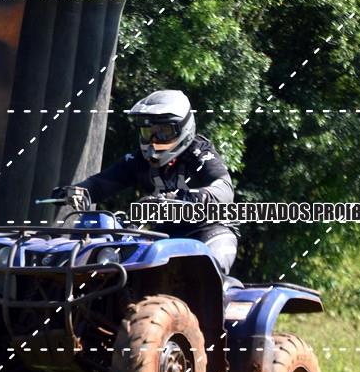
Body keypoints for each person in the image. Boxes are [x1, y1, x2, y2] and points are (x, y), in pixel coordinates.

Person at [51, 89, 238, 279]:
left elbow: (225, 189)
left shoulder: (200, 153)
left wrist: (192, 197)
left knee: (205, 276)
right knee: (127, 273)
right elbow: (102, 183)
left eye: (164, 132)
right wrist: (79, 191)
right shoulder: (139, 160)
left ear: (183, 128)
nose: (154, 141)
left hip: (210, 231)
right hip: (164, 236)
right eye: (148, 132)